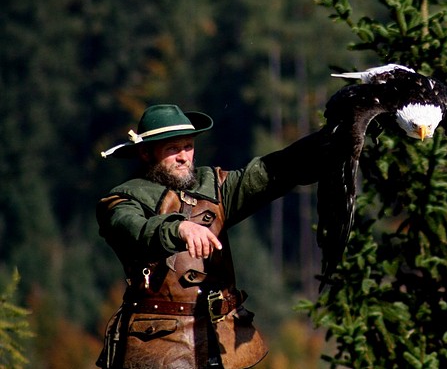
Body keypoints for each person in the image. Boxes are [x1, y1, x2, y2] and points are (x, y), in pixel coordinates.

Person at [96, 104, 325, 369]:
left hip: (222, 341)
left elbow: (273, 172)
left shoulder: (214, 186)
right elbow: (133, 229)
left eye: (188, 146)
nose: (184, 157)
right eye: (173, 149)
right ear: (146, 153)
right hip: (159, 345)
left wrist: (335, 135)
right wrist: (179, 229)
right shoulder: (121, 200)